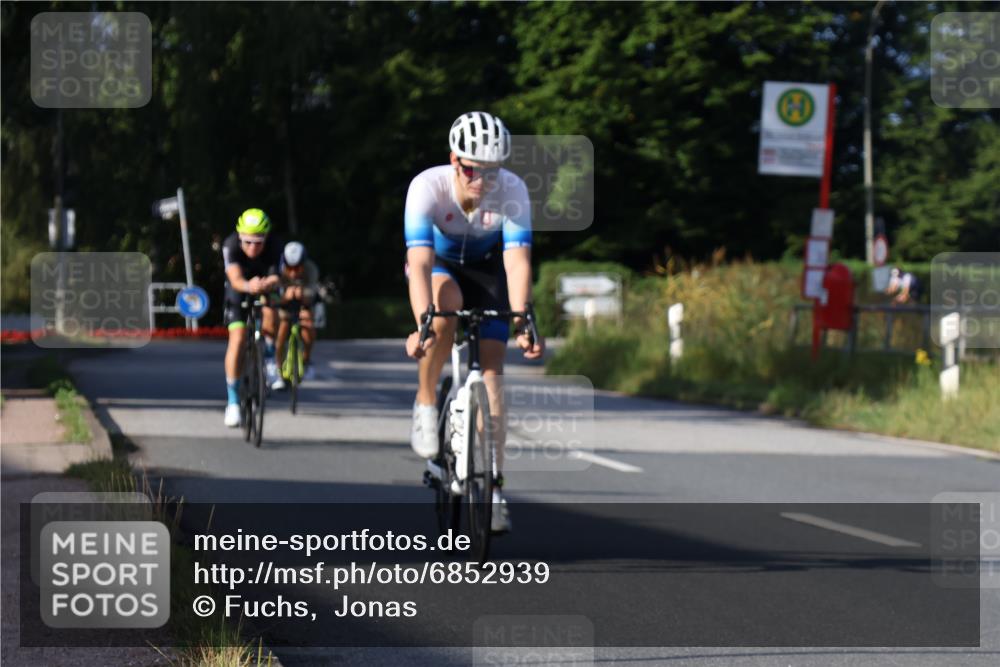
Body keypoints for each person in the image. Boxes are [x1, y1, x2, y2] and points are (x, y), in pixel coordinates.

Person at [403, 111, 544, 534]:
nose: (482, 181)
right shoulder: (427, 187)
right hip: (440, 266)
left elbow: (517, 262)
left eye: (492, 172)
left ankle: (494, 487)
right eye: (471, 170)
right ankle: (426, 402)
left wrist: (522, 320)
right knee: (445, 310)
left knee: (494, 369)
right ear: (454, 160)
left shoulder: (513, 190)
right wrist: (422, 324)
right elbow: (419, 262)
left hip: (487, 269)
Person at [221, 208, 282, 427]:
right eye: (247, 242)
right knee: (237, 339)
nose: (253, 247)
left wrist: (268, 284)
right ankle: (233, 402)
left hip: (265, 283)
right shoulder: (230, 245)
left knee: (272, 309)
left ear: (266, 237)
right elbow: (235, 278)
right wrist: (249, 286)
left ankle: (270, 356)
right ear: (240, 237)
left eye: (258, 242)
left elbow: (278, 276)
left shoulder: (275, 245)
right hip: (240, 287)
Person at [272, 241, 319, 390]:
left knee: (308, 325)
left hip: (304, 303)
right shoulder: (277, 269)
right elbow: (273, 295)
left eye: (297, 268)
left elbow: (312, 292)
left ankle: (306, 359)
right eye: (289, 268)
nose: (293, 273)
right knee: (281, 331)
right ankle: (278, 369)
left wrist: (303, 295)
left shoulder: (311, 269)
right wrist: (284, 298)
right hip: (285, 304)